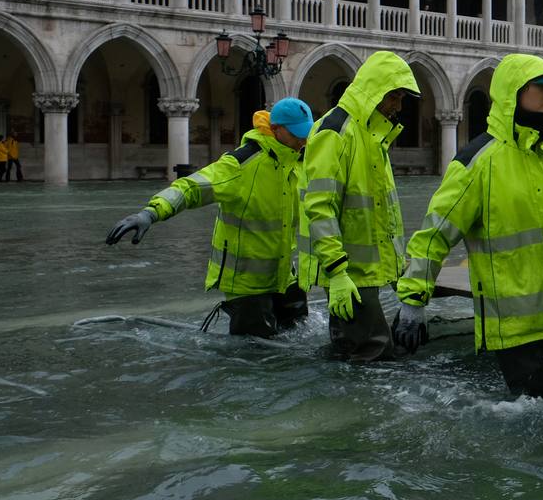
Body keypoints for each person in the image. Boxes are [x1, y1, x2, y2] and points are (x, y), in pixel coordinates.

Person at [396, 54, 543, 397]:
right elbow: (434, 234)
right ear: (514, 91)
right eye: (541, 86)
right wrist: (412, 301)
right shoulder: (478, 162)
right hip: (515, 323)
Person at [105, 98, 314, 337]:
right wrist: (150, 213)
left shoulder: (298, 161)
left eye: (306, 133)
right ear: (276, 129)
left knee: (300, 332)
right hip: (245, 282)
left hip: (284, 274)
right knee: (255, 355)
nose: (303, 140)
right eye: (297, 134)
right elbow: (191, 188)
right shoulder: (240, 164)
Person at [298, 50, 419, 363]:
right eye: (394, 97)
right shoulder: (335, 131)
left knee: (368, 352)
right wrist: (337, 273)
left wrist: (398, 267)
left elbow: (382, 210)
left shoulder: (373, 136)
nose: (398, 107)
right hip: (349, 272)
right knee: (373, 355)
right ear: (375, 90)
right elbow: (320, 206)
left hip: (369, 270)